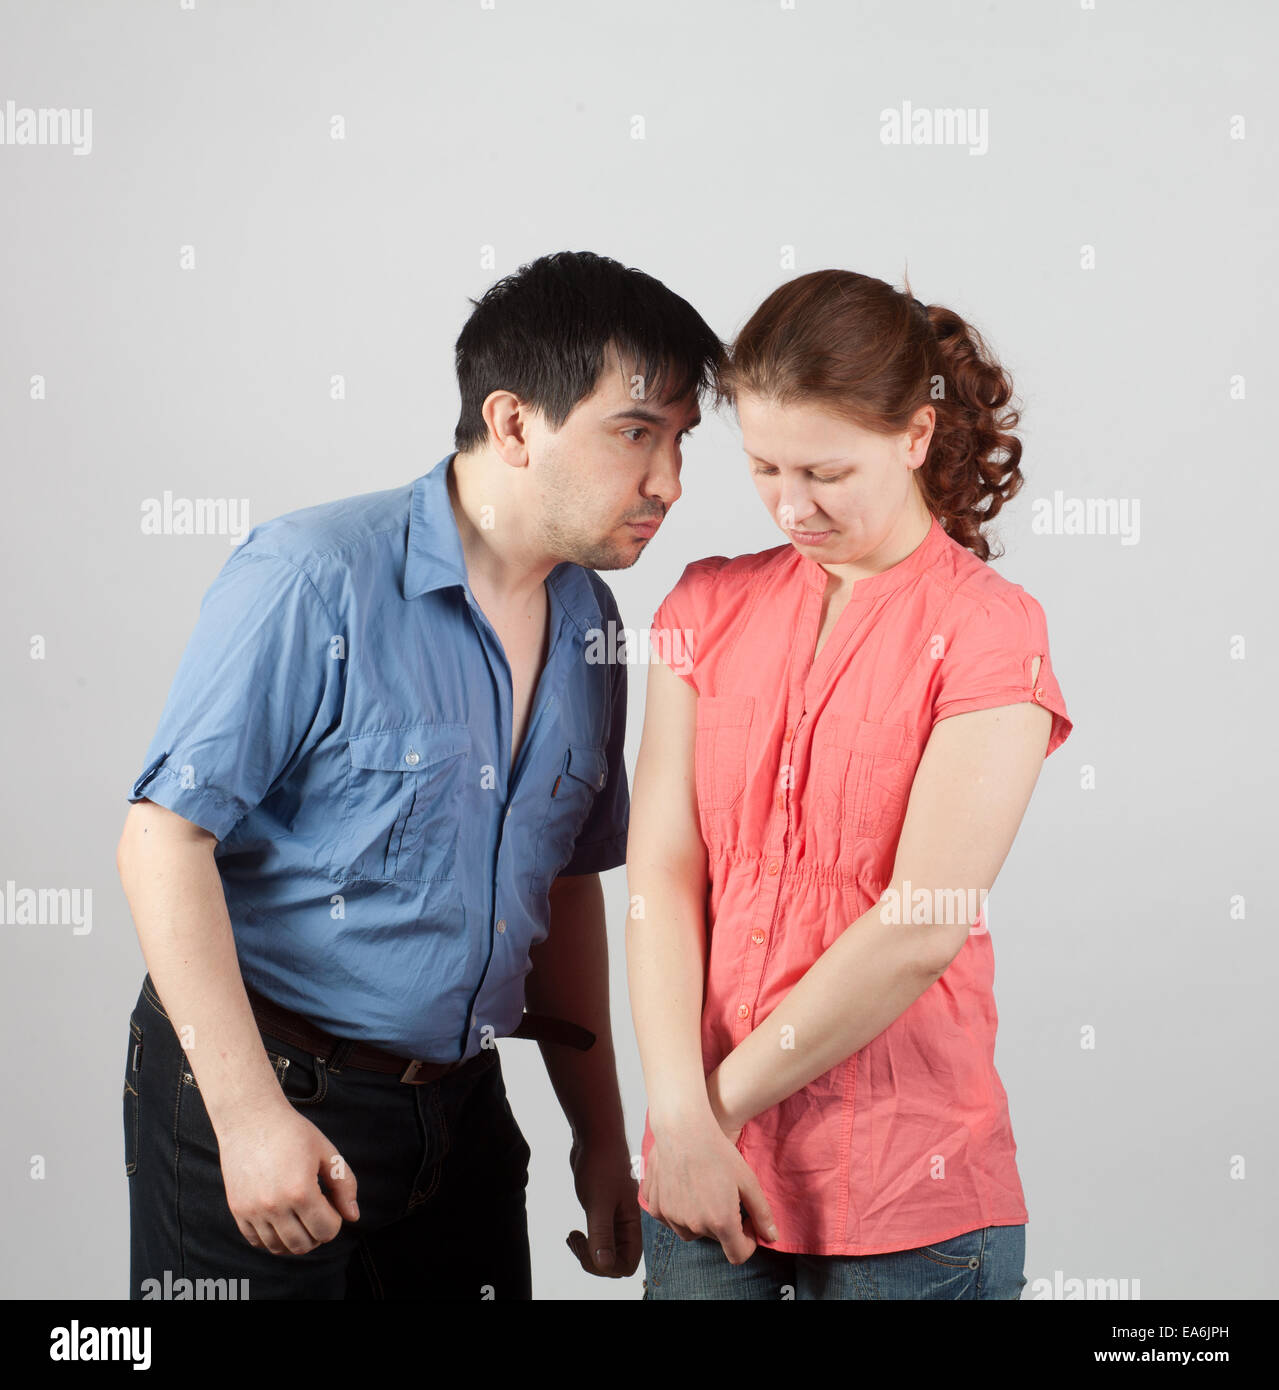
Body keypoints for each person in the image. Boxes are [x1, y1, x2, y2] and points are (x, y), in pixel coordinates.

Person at [116, 249, 723, 1299]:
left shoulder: (592, 626)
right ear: (514, 423)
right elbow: (161, 840)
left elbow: (566, 884)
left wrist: (599, 1134)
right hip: (269, 1090)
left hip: (463, 1116)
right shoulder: (311, 577)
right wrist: (251, 1115)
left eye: (679, 440)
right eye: (636, 433)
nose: (668, 480)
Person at [627, 269, 1074, 1300]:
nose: (792, 505)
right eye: (763, 468)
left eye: (826, 471)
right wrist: (679, 1118)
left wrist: (710, 1109)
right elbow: (660, 868)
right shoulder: (707, 603)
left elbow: (920, 924)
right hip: (704, 1175)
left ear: (915, 437)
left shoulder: (989, 630)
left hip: (904, 1196)